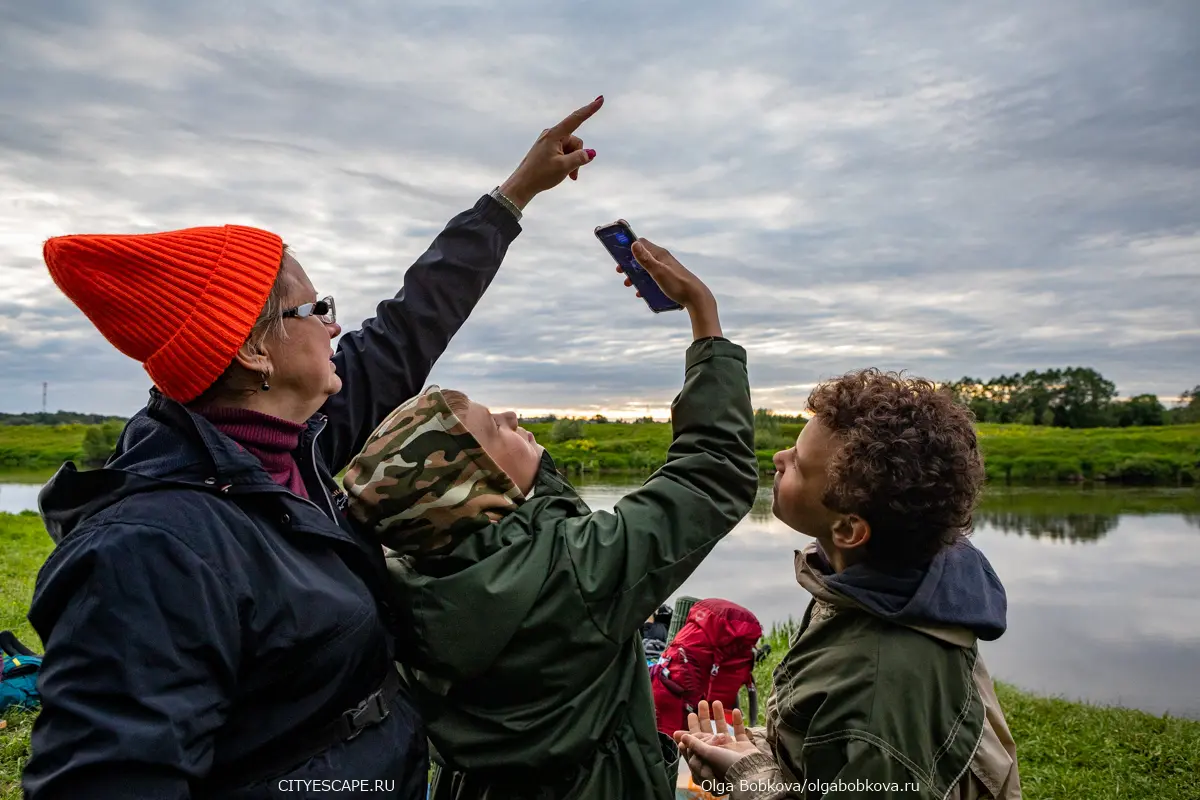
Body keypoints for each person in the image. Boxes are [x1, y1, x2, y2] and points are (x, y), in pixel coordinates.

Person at [22, 97, 605, 800]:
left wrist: (512, 196)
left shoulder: (297, 447)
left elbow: (409, 324)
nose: (336, 326)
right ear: (252, 349)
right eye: (316, 309)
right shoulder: (152, 552)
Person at [338, 240, 760, 800]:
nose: (513, 416)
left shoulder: (403, 581)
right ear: (486, 491)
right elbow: (712, 474)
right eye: (496, 429)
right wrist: (703, 315)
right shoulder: (577, 568)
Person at [676, 370, 1022, 799]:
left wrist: (749, 775)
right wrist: (768, 748)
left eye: (799, 464)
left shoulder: (881, 685)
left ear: (848, 530)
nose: (779, 458)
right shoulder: (884, 583)